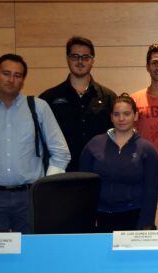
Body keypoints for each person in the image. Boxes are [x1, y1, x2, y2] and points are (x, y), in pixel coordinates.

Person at [0, 54, 70, 234]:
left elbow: (61, 152)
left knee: (33, 257)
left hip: (30, 198)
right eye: (6, 73)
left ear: (22, 80)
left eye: (17, 75)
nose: (11, 79)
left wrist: (44, 189)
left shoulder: (39, 107)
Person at [79, 94, 158, 231]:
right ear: (111, 117)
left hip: (134, 218)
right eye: (116, 114)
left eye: (126, 114)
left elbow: (151, 192)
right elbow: (83, 187)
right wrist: (87, 218)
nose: (121, 119)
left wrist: (146, 224)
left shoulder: (147, 149)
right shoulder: (94, 144)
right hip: (99, 218)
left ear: (135, 116)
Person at [40, 36, 116, 172]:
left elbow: (117, 137)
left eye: (85, 57)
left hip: (99, 173)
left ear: (92, 60)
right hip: (61, 175)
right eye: (75, 56)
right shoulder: (49, 99)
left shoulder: (108, 98)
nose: (80, 61)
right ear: (67, 59)